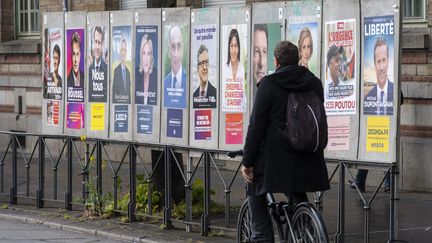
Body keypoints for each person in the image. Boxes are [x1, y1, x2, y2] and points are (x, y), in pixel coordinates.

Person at [241, 41, 330, 242]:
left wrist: (247, 162)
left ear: (276, 61)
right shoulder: (314, 82)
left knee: (253, 184)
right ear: (298, 58)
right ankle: (304, 228)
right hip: (311, 159)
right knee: (297, 191)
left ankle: (261, 236)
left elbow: (256, 127)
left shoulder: (269, 85)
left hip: (279, 161)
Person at [363, 37, 394, 115]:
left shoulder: (395, 91)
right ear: (374, 64)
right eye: (378, 61)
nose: (381, 67)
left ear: (388, 62)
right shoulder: (367, 98)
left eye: (384, 60)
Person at [163, 25, 187, 108]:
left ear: (183, 49)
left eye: (179, 46)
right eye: (173, 47)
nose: (176, 54)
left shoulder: (188, 82)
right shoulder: (164, 84)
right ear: (169, 51)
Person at [135, 33, 157, 106]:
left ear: (152, 56)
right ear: (141, 55)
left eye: (149, 53)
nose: (146, 59)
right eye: (144, 53)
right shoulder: (136, 74)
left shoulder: (156, 75)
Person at [192, 44, 216, 109]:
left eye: (206, 62)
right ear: (197, 68)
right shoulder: (194, 96)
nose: (205, 67)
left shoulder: (215, 94)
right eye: (202, 63)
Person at [88, 26, 108, 102]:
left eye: (99, 42)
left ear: (102, 45)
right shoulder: (89, 70)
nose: (97, 47)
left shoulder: (106, 69)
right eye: (95, 42)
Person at [112, 38, 131, 103]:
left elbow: (129, 95)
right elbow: (114, 94)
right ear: (119, 52)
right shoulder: (116, 71)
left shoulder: (128, 73)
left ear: (126, 52)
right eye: (121, 50)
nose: (123, 52)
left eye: (124, 50)